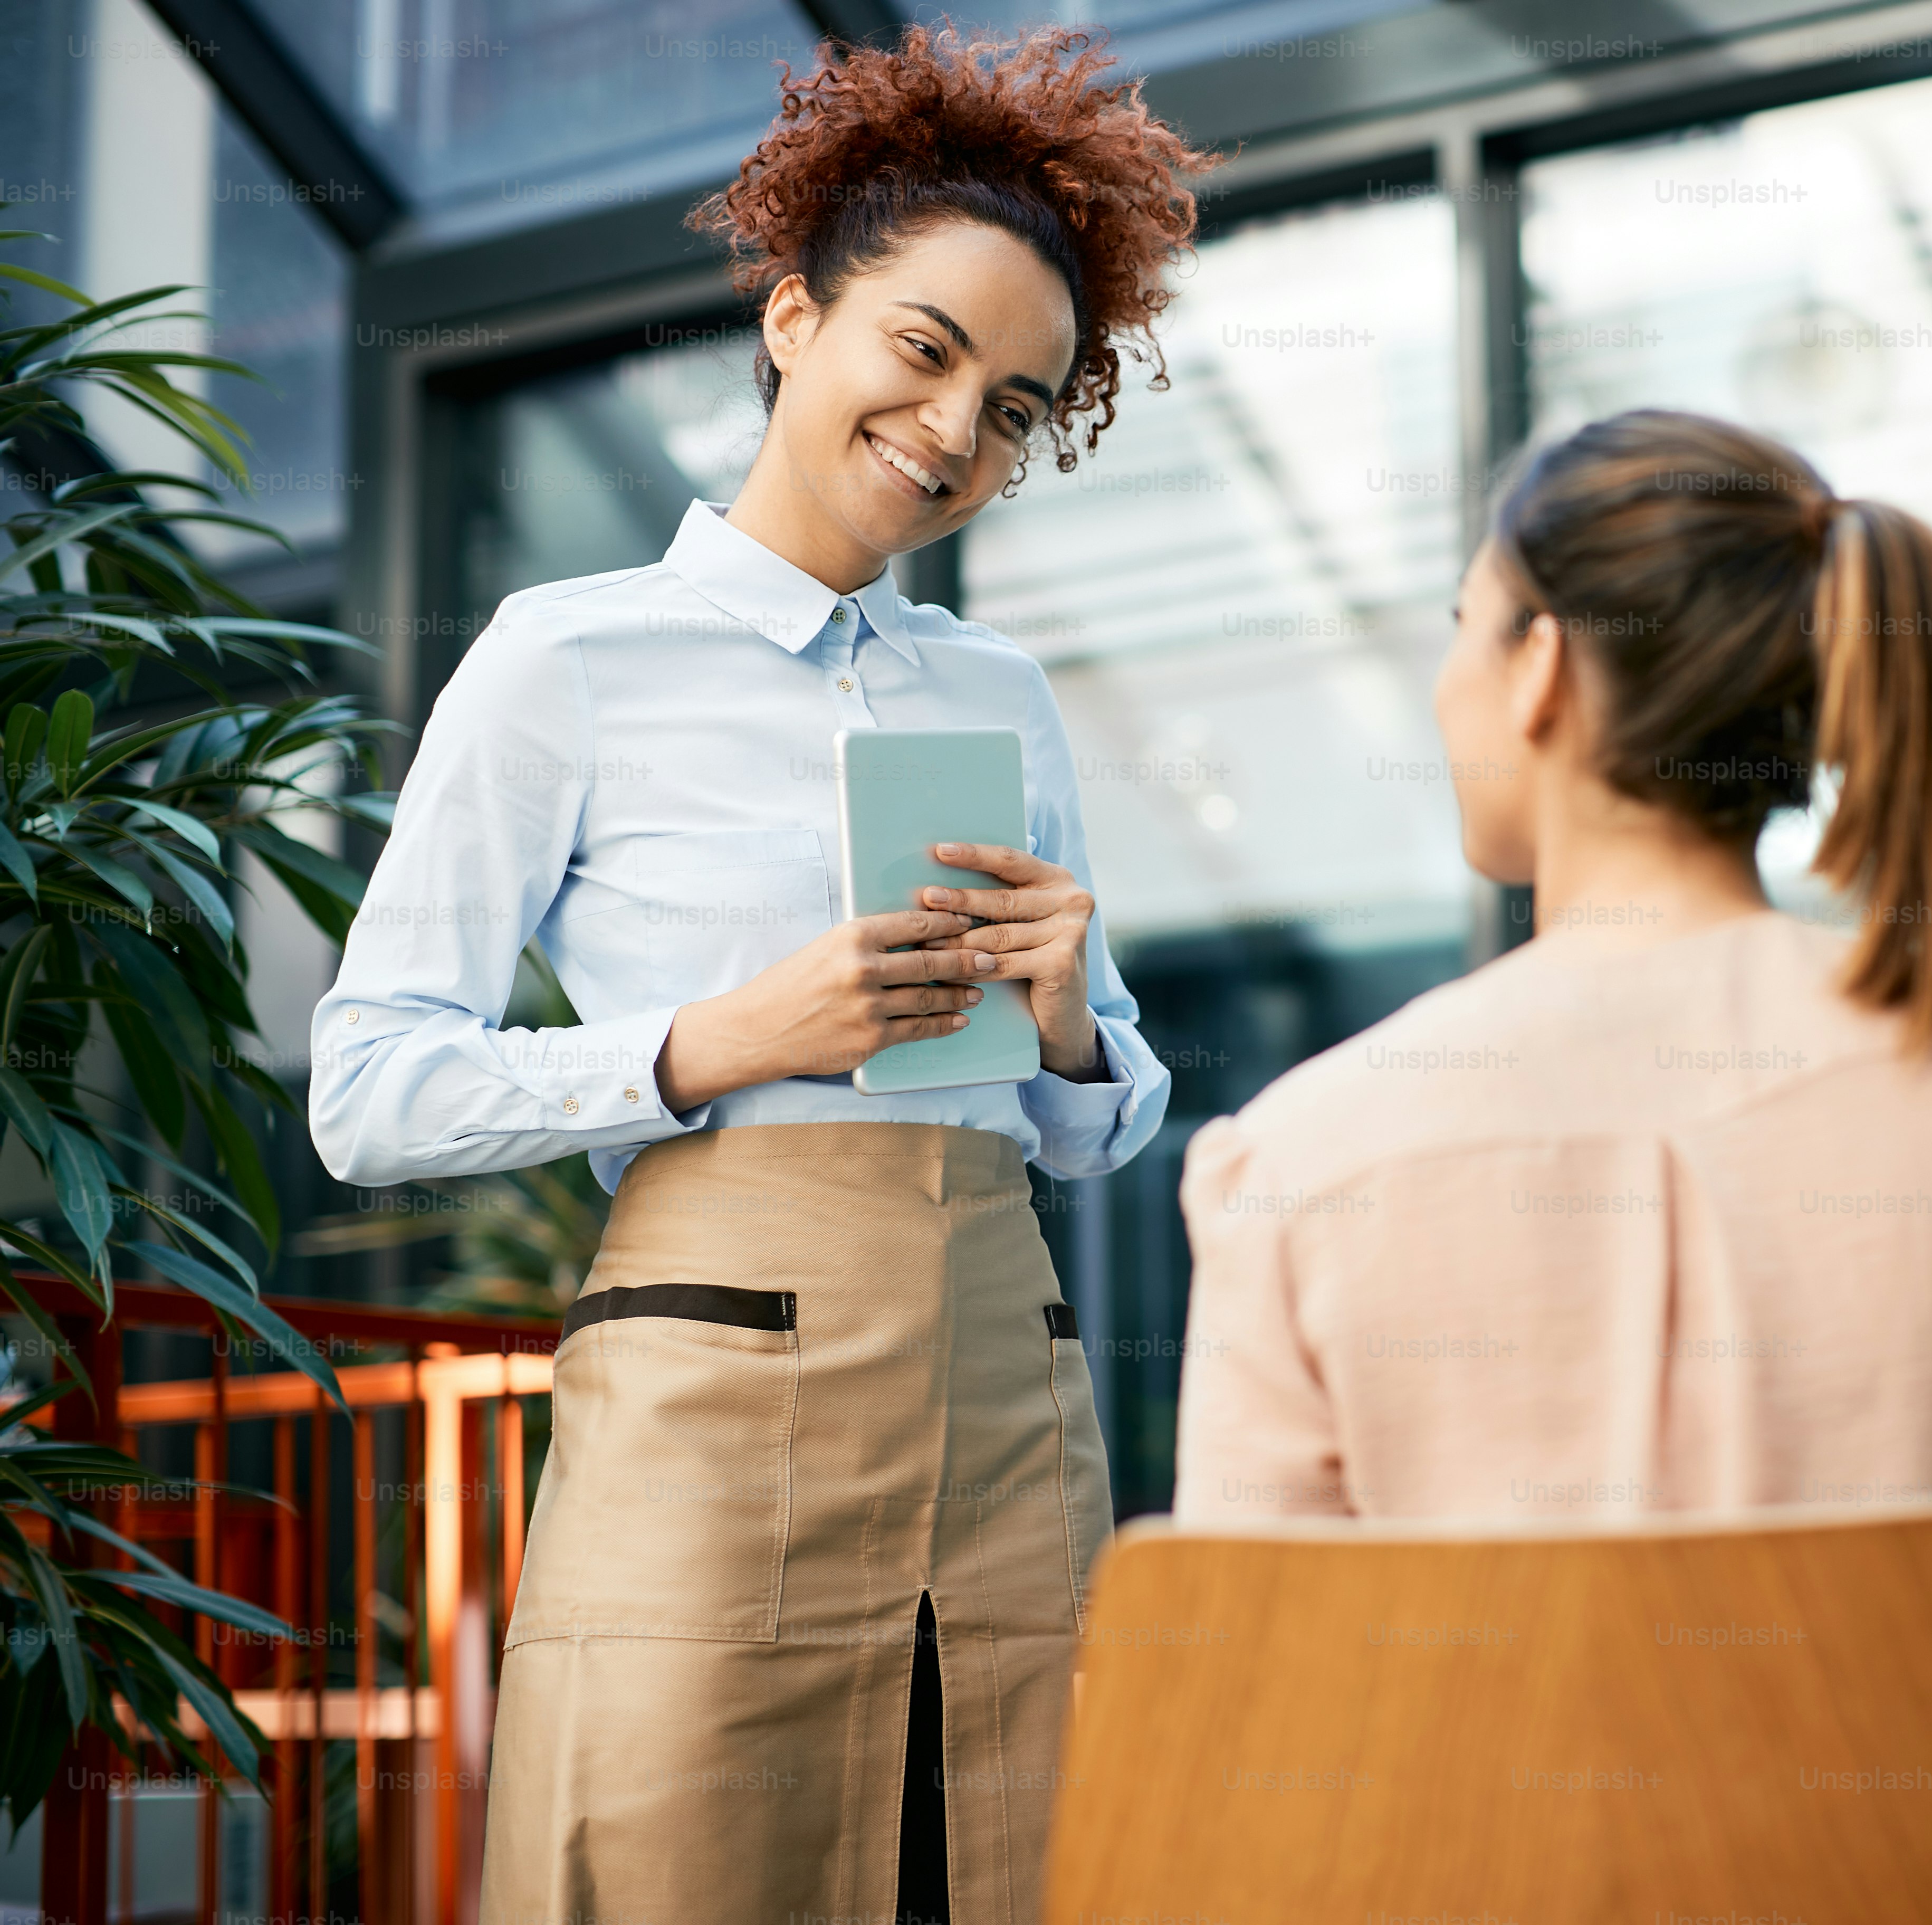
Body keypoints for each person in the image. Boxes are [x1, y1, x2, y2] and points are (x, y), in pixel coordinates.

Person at [305, 28, 1208, 1925]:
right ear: (796, 315)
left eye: (1021, 404)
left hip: (1006, 1373)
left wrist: (1065, 1019)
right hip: (717, 1382)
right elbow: (369, 1086)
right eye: (926, 347)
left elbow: (1091, 1119)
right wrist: (721, 1039)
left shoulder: (1001, 694)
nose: (960, 430)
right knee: (675, 1860)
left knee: (1019, 1863)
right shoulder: (569, 658)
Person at [1167, 407, 1932, 1627]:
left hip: (1493, 1824)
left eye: (1462, 630)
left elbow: (1252, 1689)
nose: (1444, 685)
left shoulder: (1293, 1157)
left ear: (1542, 667)